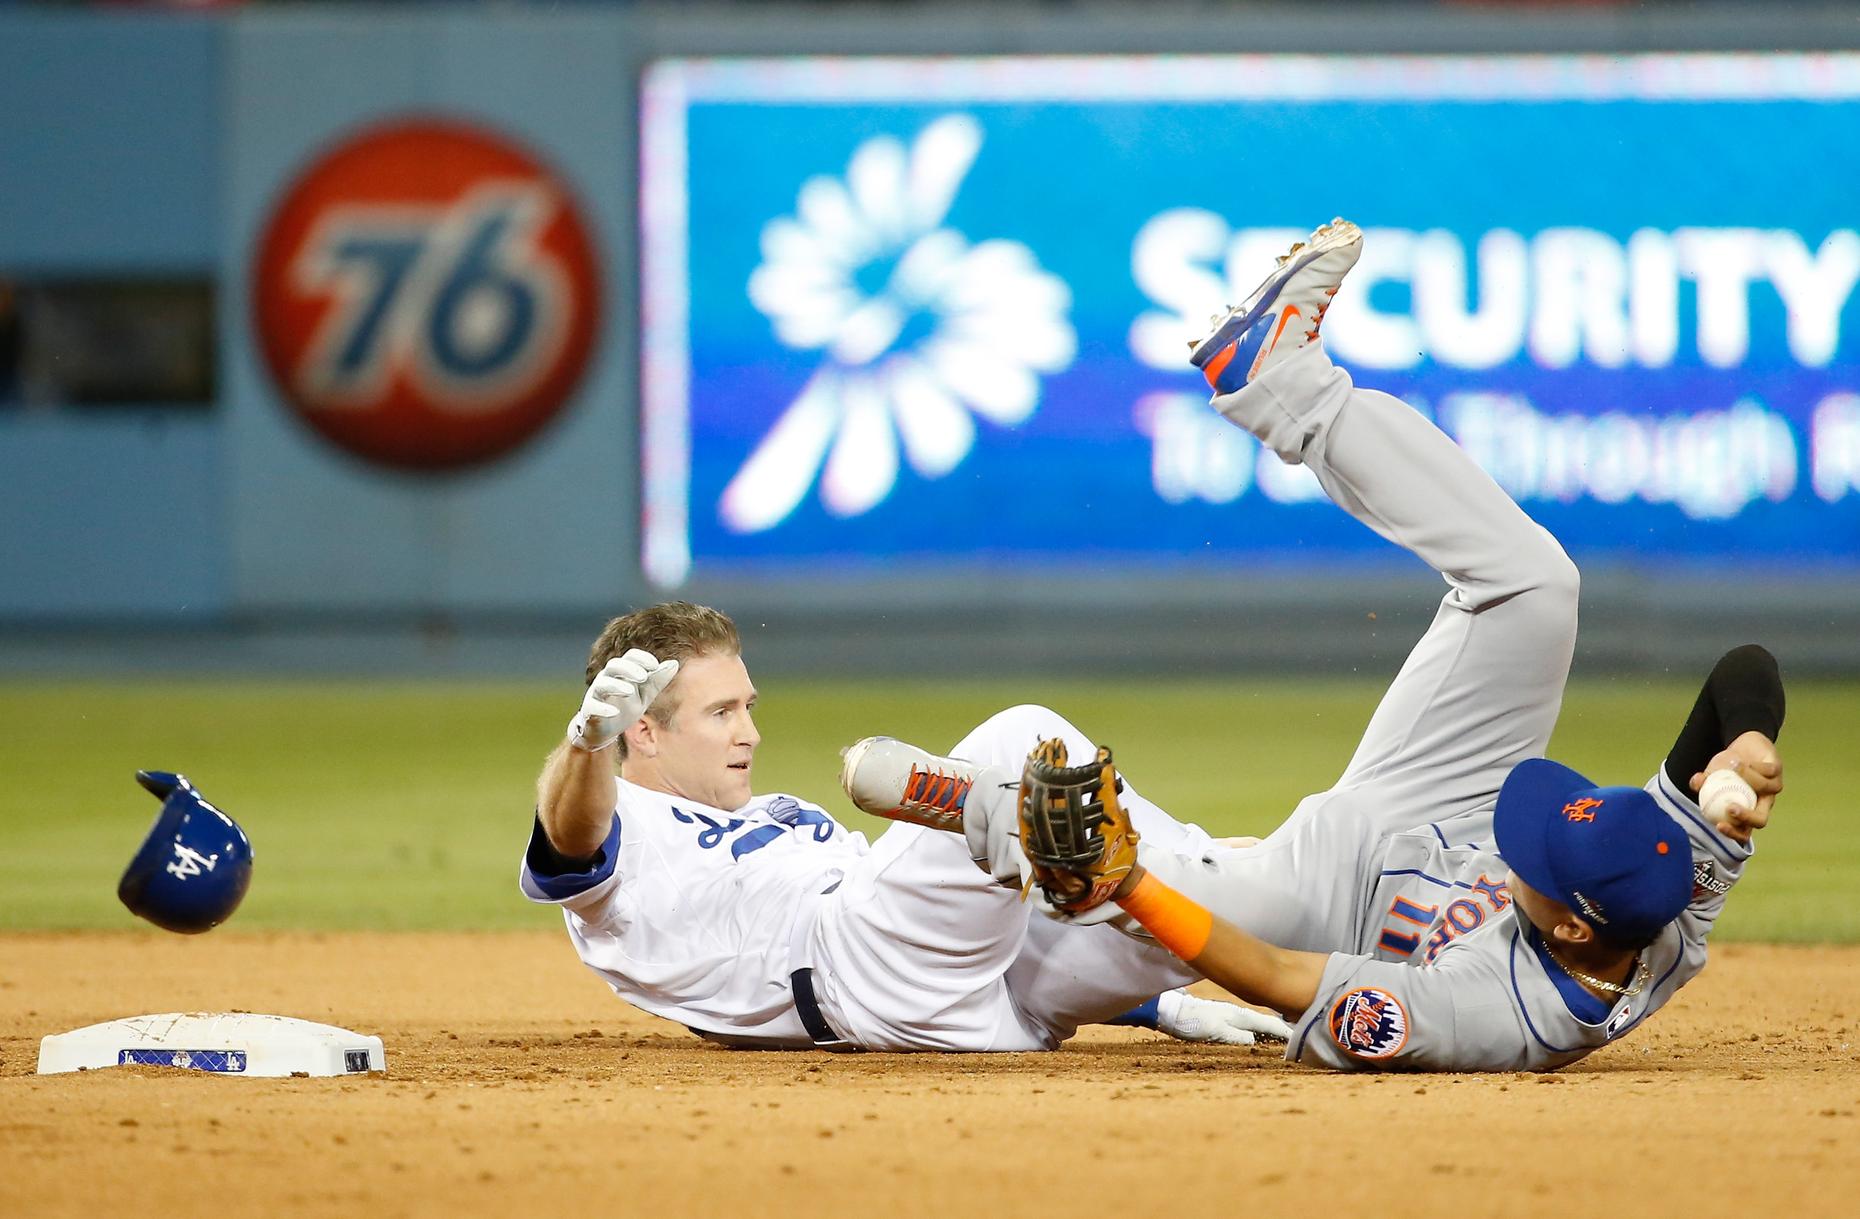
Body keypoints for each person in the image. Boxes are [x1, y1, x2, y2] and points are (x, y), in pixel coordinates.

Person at [838, 218, 1786, 1071]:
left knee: (1185, 886)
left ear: (1578, 924)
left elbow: (1279, 976)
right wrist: (1747, 739)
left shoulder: (1489, 1018)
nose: (1525, 842)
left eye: (1538, 857)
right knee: (1538, 589)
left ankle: (981, 807)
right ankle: (1283, 382)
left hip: (1332, 907)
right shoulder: (1673, 880)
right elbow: (1745, 674)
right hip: (1433, 805)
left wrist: (1130, 884)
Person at [519, 602, 1290, 1051]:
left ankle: (1341, 941)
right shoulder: (624, 824)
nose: (748, 732)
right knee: (1018, 738)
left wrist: (1156, 1008)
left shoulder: (775, 811)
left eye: (748, 706)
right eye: (721, 712)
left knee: (1247, 898)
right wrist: (587, 744)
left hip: (984, 1002)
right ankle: (1167, 858)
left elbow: (943, 925)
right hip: (851, 966)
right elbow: (569, 843)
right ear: (643, 732)